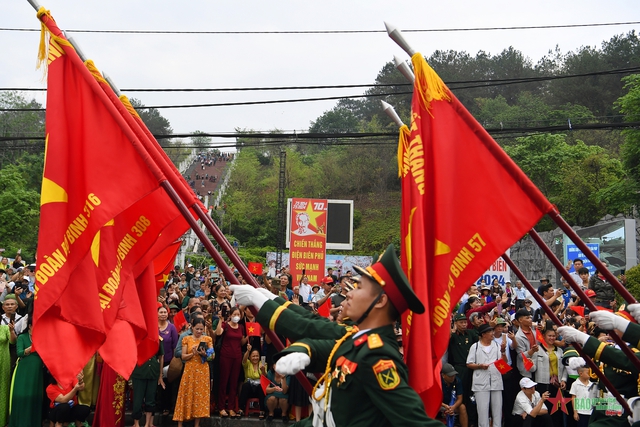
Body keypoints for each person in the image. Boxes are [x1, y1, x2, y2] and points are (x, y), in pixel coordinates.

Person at [231, 243, 443, 427]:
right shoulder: (358, 341)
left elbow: (414, 421)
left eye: (359, 287)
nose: (349, 292)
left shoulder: (379, 358)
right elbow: (317, 333)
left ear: (379, 302)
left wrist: (261, 300)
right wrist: (305, 350)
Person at [173, 317, 213, 427]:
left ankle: (197, 423)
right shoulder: (186, 339)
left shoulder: (208, 339)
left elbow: (212, 356)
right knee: (186, 393)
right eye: (197, 329)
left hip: (203, 369)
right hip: (190, 369)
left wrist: (205, 354)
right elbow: (183, 356)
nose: (199, 331)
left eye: (201, 329)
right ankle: (180, 423)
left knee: (200, 396)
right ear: (192, 328)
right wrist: (193, 354)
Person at [466, 323, 505, 427]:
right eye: (490, 332)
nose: (492, 333)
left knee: (497, 411)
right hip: (481, 382)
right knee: (482, 411)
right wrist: (480, 366)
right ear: (483, 334)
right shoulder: (475, 346)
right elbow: (469, 364)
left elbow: (502, 362)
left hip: (496, 381)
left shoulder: (496, 346)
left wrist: (503, 351)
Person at [528, 323, 566, 427]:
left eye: (554, 336)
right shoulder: (537, 349)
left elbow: (564, 368)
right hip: (542, 384)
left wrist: (563, 379)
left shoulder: (559, 350)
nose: (552, 338)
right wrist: (528, 363)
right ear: (544, 336)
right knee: (544, 411)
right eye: (549, 336)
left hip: (556, 386)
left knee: (557, 412)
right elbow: (533, 368)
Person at [8, 318, 43, 427]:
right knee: (22, 395)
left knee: (35, 396)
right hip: (24, 369)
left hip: (37, 370)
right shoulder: (22, 337)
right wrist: (31, 348)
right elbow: (19, 353)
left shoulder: (42, 338)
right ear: (29, 326)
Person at [215, 306, 247, 418]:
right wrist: (220, 319)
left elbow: (242, 342)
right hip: (225, 356)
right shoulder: (225, 325)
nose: (236, 317)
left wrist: (249, 337)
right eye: (234, 315)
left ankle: (231, 408)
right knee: (224, 382)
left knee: (234, 382)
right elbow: (218, 333)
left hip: (237, 356)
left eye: (238, 315)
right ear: (230, 315)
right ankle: (221, 407)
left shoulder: (242, 327)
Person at [131, 340, 164, 427]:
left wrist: (160, 375)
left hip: (153, 373)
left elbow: (161, 357)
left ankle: (147, 424)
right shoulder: (138, 337)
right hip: (139, 372)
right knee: (138, 400)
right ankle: (136, 423)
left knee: (150, 400)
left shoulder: (158, 339)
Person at [158, 305, 178, 415]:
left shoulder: (172, 328)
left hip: (168, 360)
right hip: (155, 361)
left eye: (165, 312)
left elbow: (175, 345)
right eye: (161, 312)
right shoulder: (153, 327)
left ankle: (166, 407)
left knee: (166, 385)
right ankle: (155, 406)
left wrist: (173, 361)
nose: (163, 314)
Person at [238, 344, 266, 419]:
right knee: (245, 385)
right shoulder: (248, 363)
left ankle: (262, 410)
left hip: (258, 389)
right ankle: (241, 409)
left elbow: (265, 378)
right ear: (250, 357)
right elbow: (244, 360)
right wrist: (248, 350)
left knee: (261, 387)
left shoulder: (263, 364)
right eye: (253, 356)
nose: (255, 358)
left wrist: (263, 371)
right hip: (249, 388)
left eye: (257, 356)